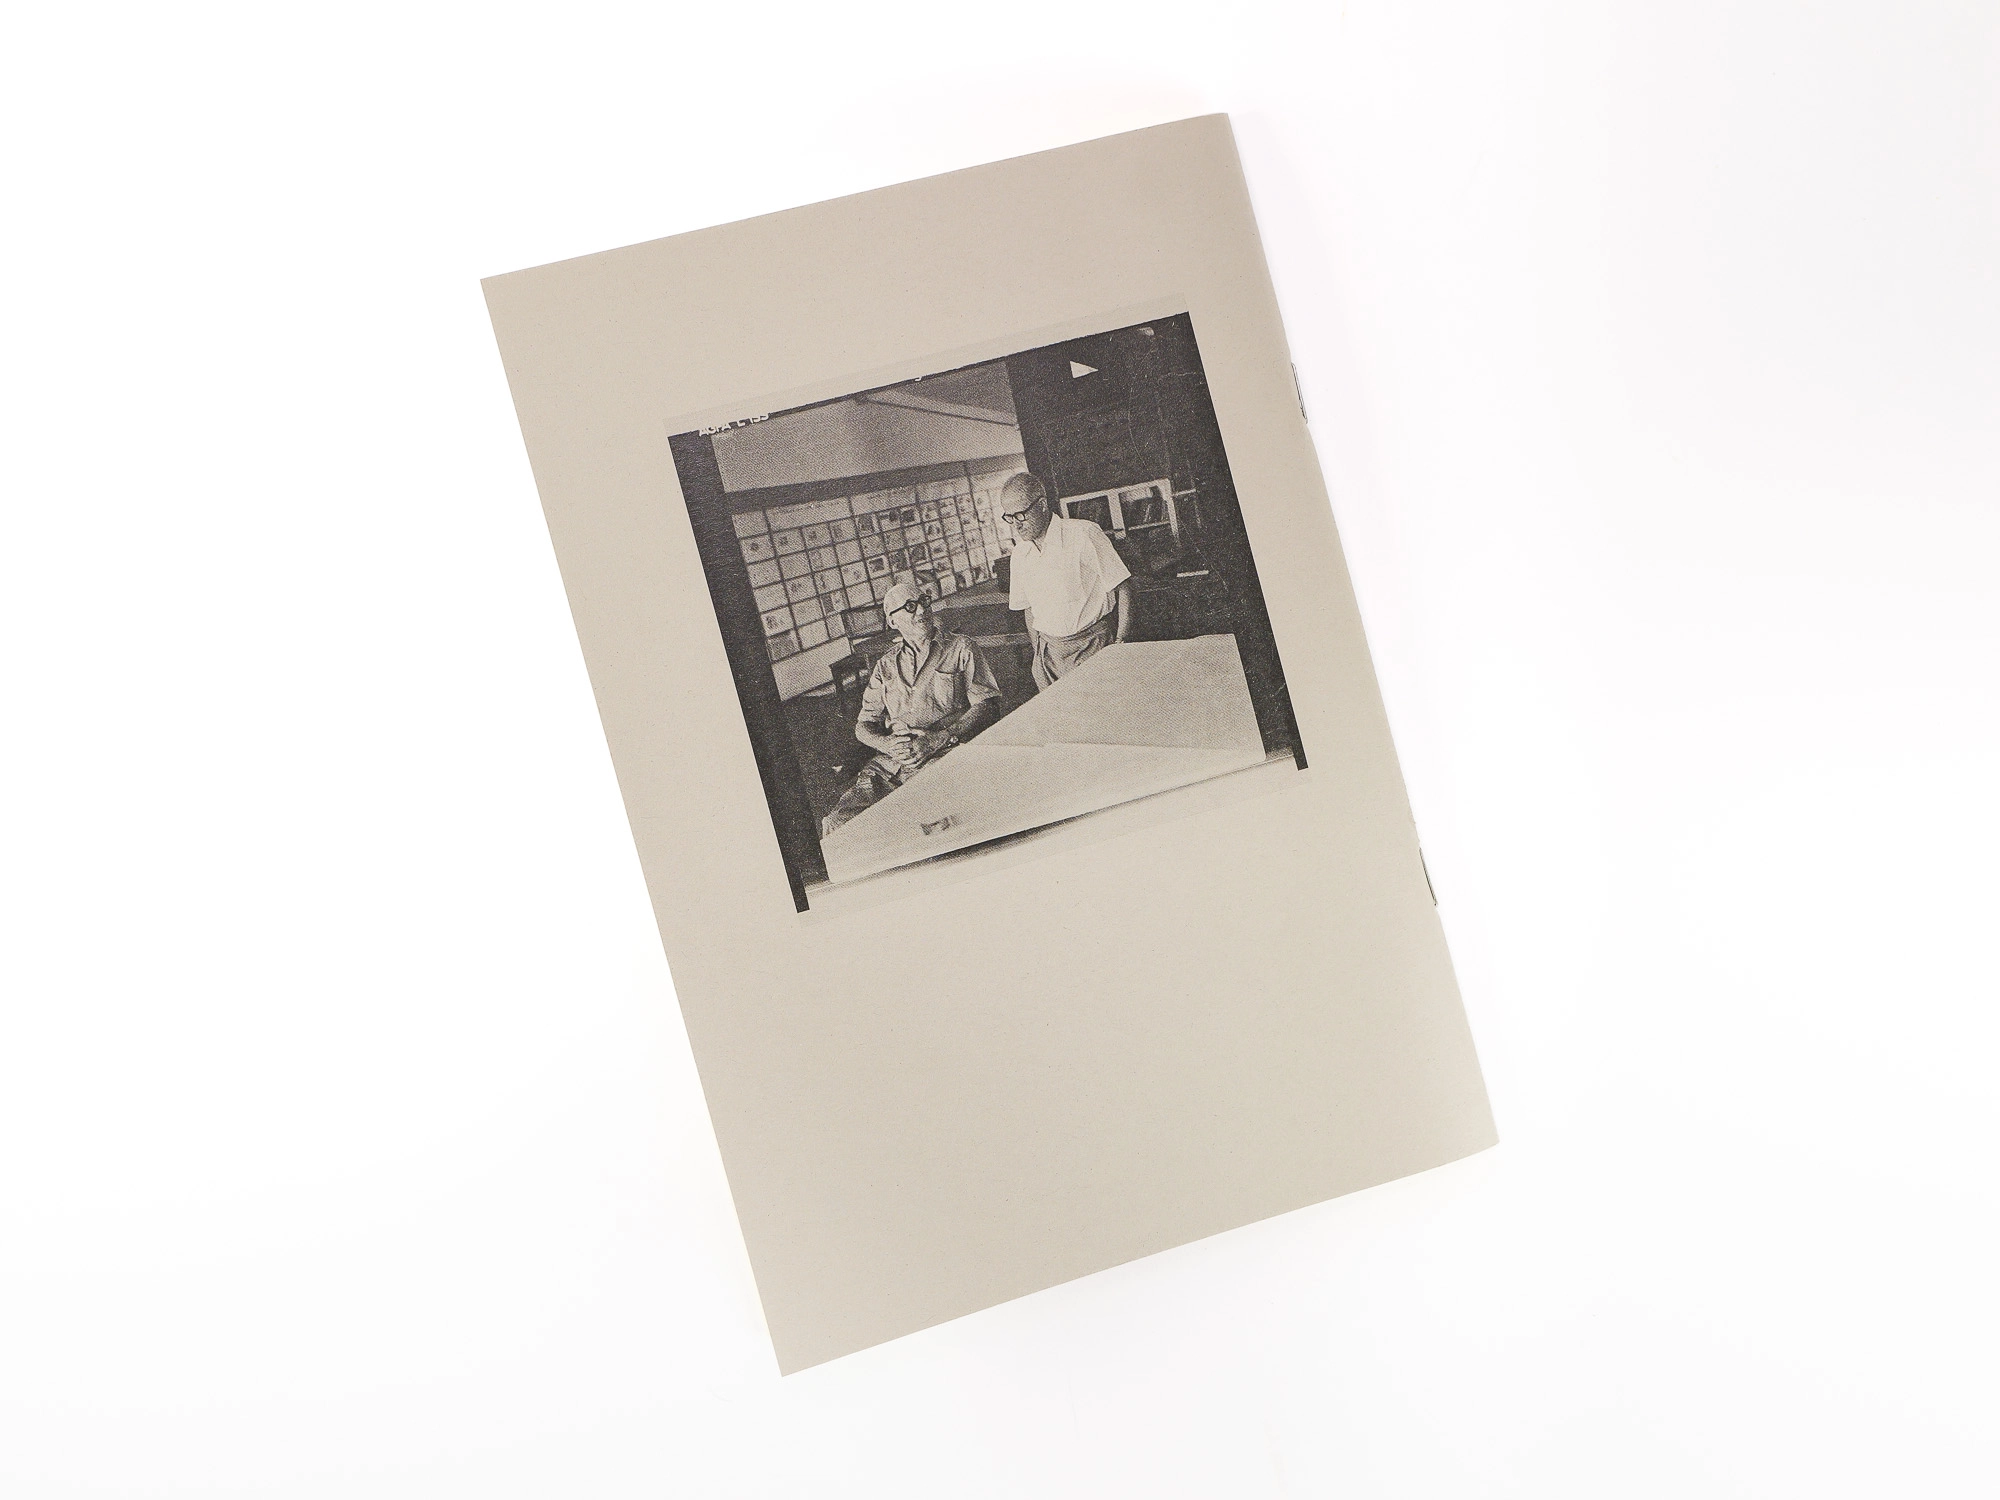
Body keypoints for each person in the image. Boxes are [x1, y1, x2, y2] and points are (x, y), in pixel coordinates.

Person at [819, 578, 1003, 837]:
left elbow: (987, 705)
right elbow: (863, 725)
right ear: (893, 621)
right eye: (910, 606)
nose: (922, 610)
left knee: (923, 824)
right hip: (889, 765)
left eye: (924, 601)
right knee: (837, 824)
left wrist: (941, 737)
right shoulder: (885, 665)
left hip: (941, 756)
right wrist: (886, 744)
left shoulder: (961, 647)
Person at [998, 471, 1134, 689]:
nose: (1016, 525)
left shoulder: (1083, 533)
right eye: (1009, 517)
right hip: (1049, 659)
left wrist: (1121, 642)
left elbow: (1123, 586)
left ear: (1042, 505)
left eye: (1021, 515)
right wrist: (1038, 655)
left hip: (1093, 647)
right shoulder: (1020, 555)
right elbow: (1029, 609)